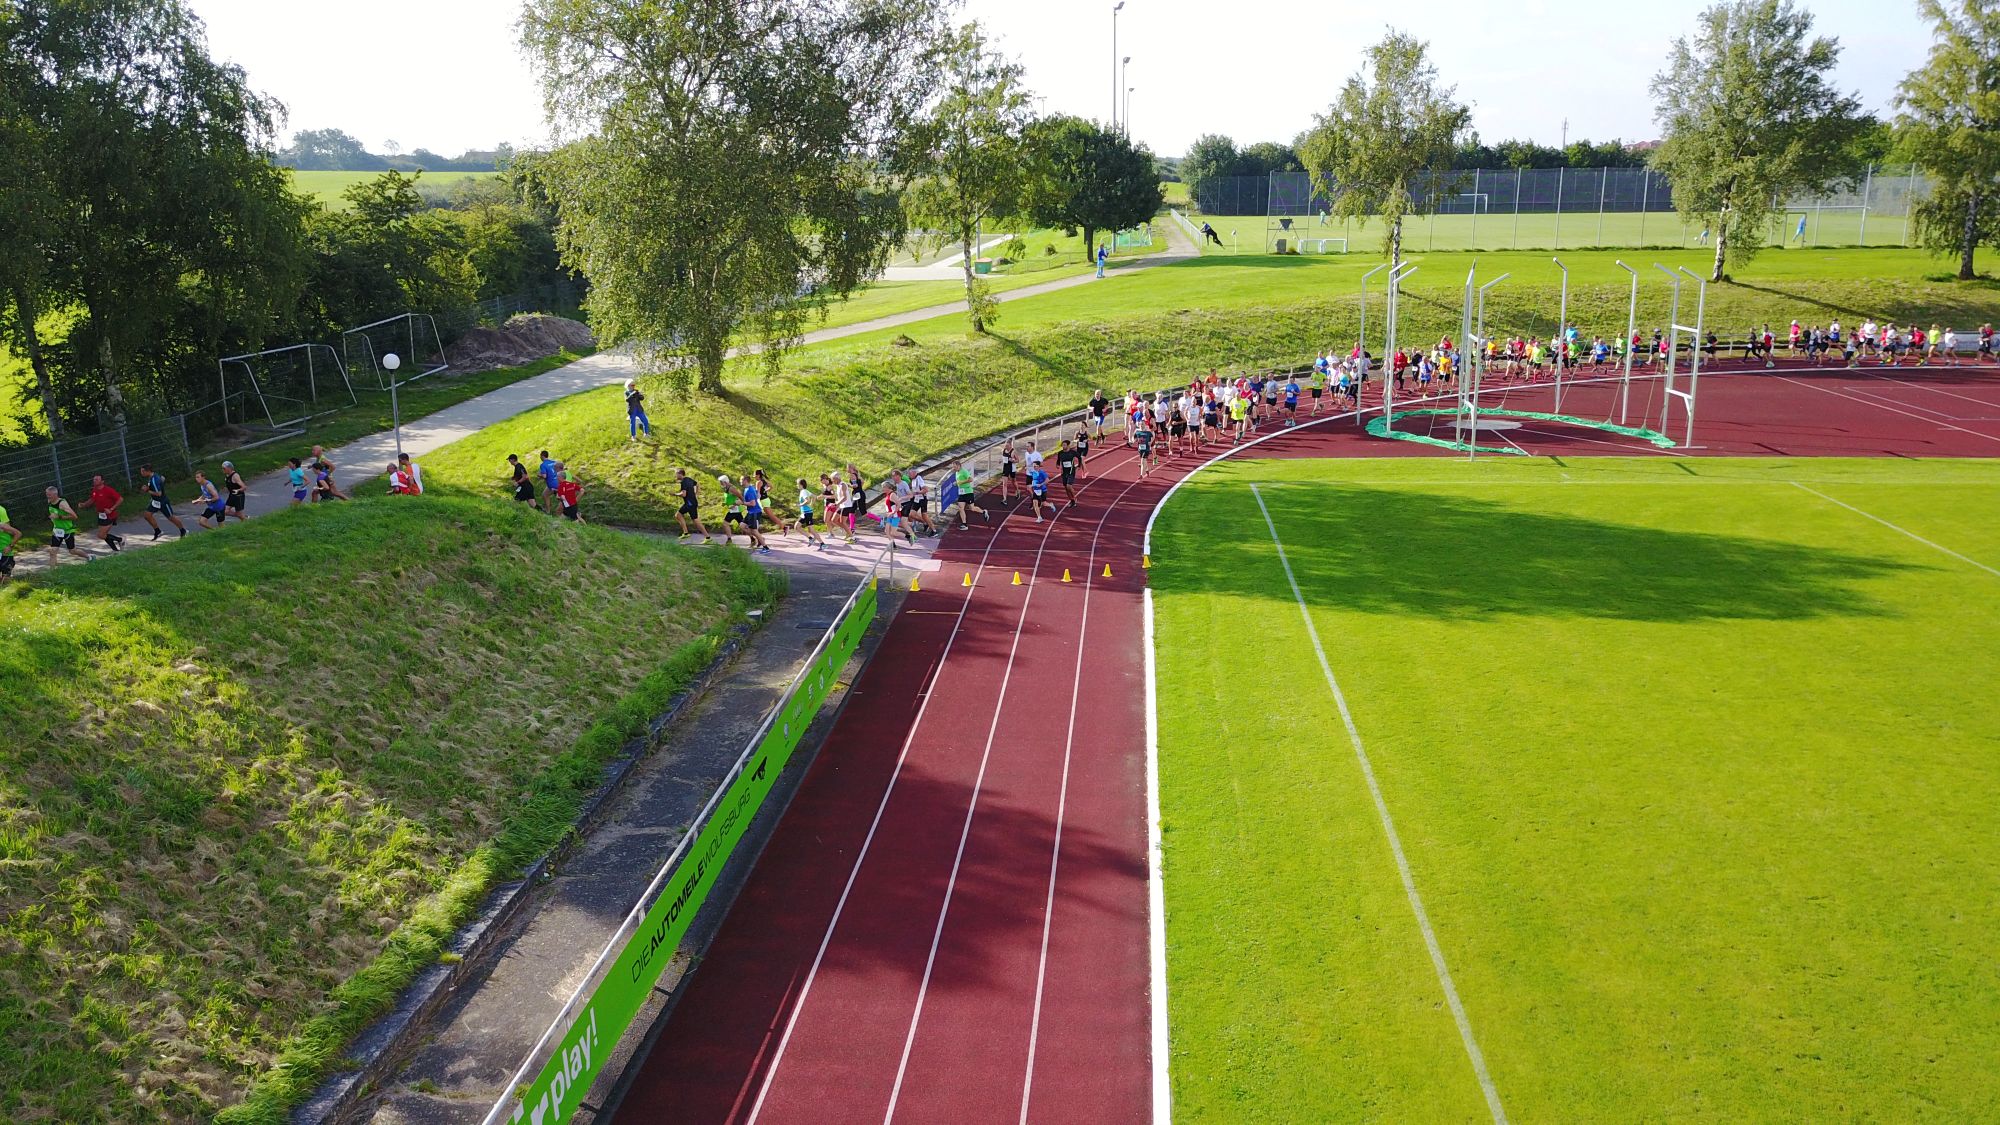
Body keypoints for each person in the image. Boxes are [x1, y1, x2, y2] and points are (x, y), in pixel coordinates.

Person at [137, 462, 187, 540]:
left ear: (148, 471)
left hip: (162, 502)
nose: (141, 473)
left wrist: (147, 490)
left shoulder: (154, 479)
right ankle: (158, 531)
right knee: (147, 515)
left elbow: (159, 494)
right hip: (155, 501)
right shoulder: (153, 476)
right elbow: (162, 479)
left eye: (143, 471)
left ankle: (183, 530)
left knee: (171, 517)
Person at [45, 486, 92, 566]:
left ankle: (89, 557)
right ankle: (52, 571)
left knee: (72, 551)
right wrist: (53, 518)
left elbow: (74, 516)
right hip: (57, 530)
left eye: (49, 495)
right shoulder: (50, 501)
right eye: (47, 494)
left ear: (55, 494)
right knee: (53, 551)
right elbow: (54, 513)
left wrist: (59, 517)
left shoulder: (62, 504)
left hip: (67, 530)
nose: (48, 496)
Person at [88, 474, 126, 551]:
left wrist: (111, 509)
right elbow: (92, 499)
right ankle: (116, 550)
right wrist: (84, 504)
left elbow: (120, 499)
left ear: (102, 481)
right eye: (94, 479)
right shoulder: (94, 490)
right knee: (103, 535)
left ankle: (120, 540)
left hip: (110, 515)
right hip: (101, 515)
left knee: (101, 535)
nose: (94, 481)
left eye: (97, 479)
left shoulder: (108, 490)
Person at [673, 467, 712, 541]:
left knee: (678, 515)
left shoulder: (683, 482)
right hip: (693, 502)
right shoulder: (688, 479)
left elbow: (683, 494)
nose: (676, 476)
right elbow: (697, 484)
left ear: (680, 474)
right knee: (696, 520)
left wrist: (675, 494)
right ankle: (707, 537)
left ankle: (686, 533)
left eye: (676, 474)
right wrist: (696, 494)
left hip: (689, 504)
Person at [794, 477, 825, 550]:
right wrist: (811, 504)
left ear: (801, 485)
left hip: (807, 513)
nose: (797, 485)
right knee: (797, 527)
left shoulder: (803, 492)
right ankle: (810, 538)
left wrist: (800, 505)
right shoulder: (805, 491)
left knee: (811, 530)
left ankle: (822, 544)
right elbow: (814, 497)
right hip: (805, 513)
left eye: (797, 484)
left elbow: (807, 500)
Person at [950, 459, 982, 529]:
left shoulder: (964, 471)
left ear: (959, 465)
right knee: (961, 508)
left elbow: (971, 479)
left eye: (955, 467)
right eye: (953, 467)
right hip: (961, 493)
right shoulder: (957, 472)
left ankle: (983, 512)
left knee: (972, 508)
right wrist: (956, 483)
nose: (954, 468)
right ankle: (964, 524)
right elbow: (959, 481)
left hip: (968, 492)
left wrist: (961, 482)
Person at [1054, 438, 1080, 504]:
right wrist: (1057, 465)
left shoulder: (1072, 452)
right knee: (1066, 487)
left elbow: (1079, 457)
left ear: (1068, 446)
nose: (1063, 446)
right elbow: (1058, 460)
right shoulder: (1060, 453)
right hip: (1064, 472)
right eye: (1062, 445)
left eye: (1064, 445)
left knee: (1069, 486)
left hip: (1071, 471)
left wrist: (1079, 466)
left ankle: (1074, 497)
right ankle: (1071, 500)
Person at [539, 450, 562, 516]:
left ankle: (548, 511)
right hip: (559, 481)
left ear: (542, 456)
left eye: (540, 456)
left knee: (546, 495)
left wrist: (539, 475)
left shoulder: (543, 465)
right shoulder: (554, 462)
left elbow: (544, 476)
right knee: (545, 494)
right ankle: (550, 510)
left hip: (552, 485)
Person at [0, 502, 18, 582]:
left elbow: (16, 533)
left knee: (5, 580)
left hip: (5, 550)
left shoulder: (1, 510)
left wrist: (10, 546)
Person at [999, 435, 1018, 501]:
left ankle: (1017, 490)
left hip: (1012, 468)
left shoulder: (1013, 451)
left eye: (1007, 446)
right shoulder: (1003, 450)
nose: (1006, 447)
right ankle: (1004, 499)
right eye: (1005, 446)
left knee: (1013, 481)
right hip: (1006, 468)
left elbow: (1018, 460)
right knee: (1004, 484)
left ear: (1010, 445)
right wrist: (1001, 460)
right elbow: (1003, 458)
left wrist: (1013, 461)